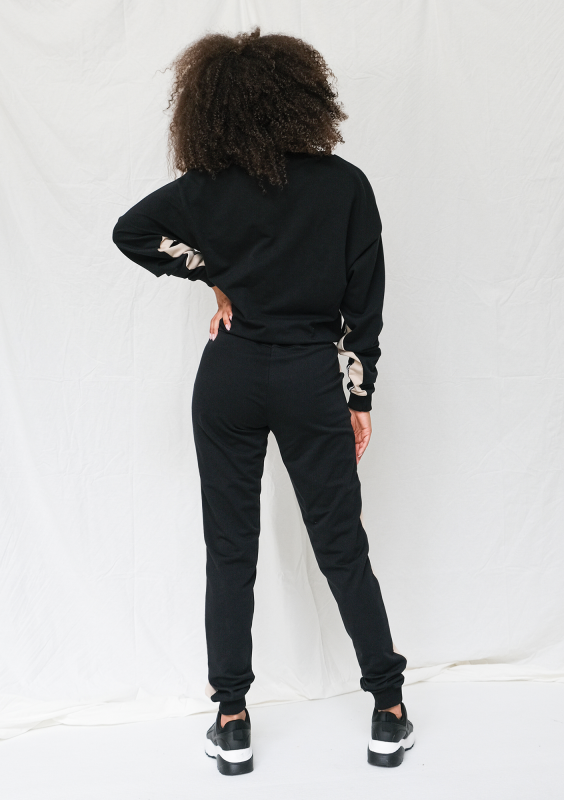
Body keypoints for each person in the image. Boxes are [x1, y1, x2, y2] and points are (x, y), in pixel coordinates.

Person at [112, 26, 414, 775]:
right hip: (311, 378)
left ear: (211, 106)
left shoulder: (206, 188)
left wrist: (213, 274)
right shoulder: (345, 186)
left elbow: (132, 232)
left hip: (230, 377)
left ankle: (232, 718)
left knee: (229, 550)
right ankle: (388, 708)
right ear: (302, 97)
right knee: (341, 546)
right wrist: (359, 395)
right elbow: (364, 308)